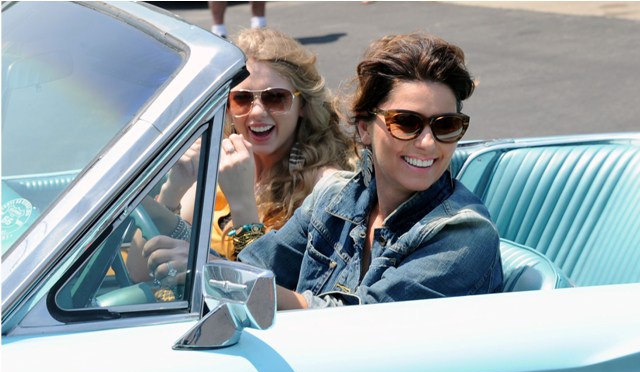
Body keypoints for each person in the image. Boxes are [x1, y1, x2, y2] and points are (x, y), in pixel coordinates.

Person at [238, 31, 504, 310]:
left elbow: (362, 320)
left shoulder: (464, 235)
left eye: (446, 125)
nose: (428, 142)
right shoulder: (331, 198)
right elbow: (254, 268)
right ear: (365, 129)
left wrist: (237, 285)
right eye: (406, 122)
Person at [126, 27, 356, 283]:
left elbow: (268, 291)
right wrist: (173, 191)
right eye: (242, 99)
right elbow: (138, 274)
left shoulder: (326, 186)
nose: (257, 112)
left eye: (275, 98)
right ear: (227, 107)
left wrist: (242, 202)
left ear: (302, 104)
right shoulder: (216, 168)